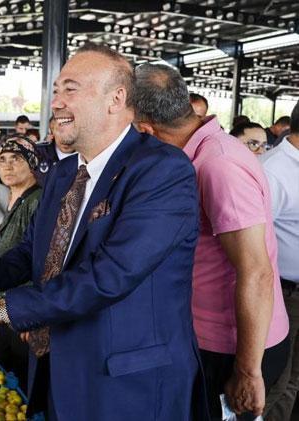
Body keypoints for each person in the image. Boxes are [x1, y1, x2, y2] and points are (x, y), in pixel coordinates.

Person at [0, 43, 208, 420]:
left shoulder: (162, 170)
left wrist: (5, 309)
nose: (56, 103)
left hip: (126, 384)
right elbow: (34, 249)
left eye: (71, 89)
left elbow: (111, 275)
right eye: (55, 91)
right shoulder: (65, 173)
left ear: (116, 99)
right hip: (58, 367)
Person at [133, 63, 289, 419]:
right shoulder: (197, 154)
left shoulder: (219, 165)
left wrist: (248, 371)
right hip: (208, 336)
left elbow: (256, 271)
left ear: (145, 129)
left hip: (232, 348)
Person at [0, 135, 43, 393]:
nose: (8, 166)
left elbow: (42, 259)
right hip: (6, 305)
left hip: (23, 311)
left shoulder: (38, 201)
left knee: (17, 383)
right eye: (2, 160)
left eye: (16, 159)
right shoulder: (14, 198)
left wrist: (34, 314)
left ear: (32, 164)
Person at [263, 102, 299, 420]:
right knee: (275, 381)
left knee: (293, 382)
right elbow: (252, 245)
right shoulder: (272, 170)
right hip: (283, 295)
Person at [34, 115, 76, 186]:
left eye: (71, 132)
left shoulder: (88, 156)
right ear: (52, 132)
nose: (65, 138)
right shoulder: (37, 152)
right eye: (61, 131)